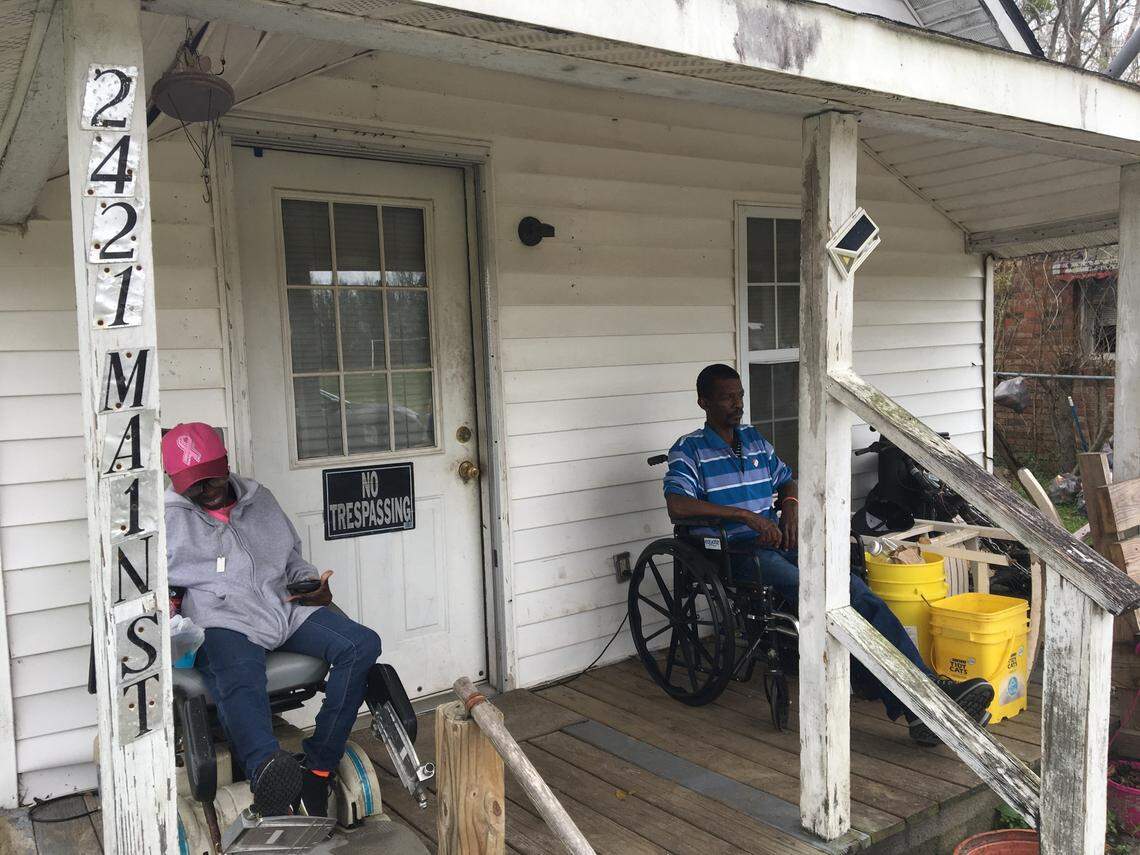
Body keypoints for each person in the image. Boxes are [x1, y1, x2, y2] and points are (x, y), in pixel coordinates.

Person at [662, 364, 993, 745]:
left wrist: (788, 505)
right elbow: (678, 505)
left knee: (853, 590)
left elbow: (786, 478)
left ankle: (928, 689)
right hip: (734, 551)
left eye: (740, 396)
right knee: (824, 597)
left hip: (777, 542)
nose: (737, 404)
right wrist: (744, 516)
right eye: (726, 397)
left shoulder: (753, 441)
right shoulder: (690, 450)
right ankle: (918, 705)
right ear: (704, 402)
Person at [162, 422, 382, 817]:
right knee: (239, 674)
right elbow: (156, 585)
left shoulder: (260, 500)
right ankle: (267, 771)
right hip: (222, 619)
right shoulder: (168, 519)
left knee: (361, 644)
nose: (202, 492)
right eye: (190, 484)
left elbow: (292, 557)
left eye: (209, 480)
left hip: (284, 607)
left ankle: (318, 766)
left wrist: (310, 585)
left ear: (226, 466)